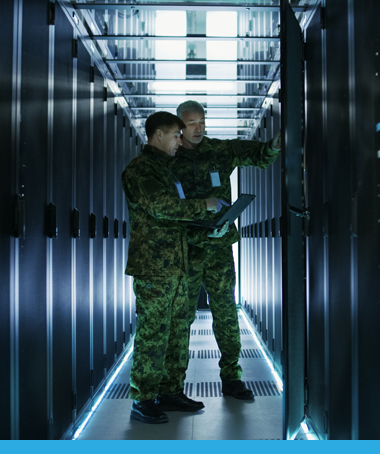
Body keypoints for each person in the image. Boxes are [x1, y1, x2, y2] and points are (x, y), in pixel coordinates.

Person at [169, 100, 282, 400]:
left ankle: (232, 377)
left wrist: (277, 144)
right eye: (192, 123)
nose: (198, 128)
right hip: (187, 248)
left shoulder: (220, 150)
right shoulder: (170, 156)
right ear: (179, 126)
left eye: (202, 121)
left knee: (226, 313)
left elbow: (259, 155)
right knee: (181, 316)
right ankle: (173, 385)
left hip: (218, 247)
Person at [121, 111, 229, 424]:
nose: (179, 142)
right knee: (153, 333)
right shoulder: (141, 170)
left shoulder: (168, 171)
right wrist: (204, 204)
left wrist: (212, 223)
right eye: (174, 136)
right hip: (154, 269)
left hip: (178, 265)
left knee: (179, 330)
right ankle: (142, 398)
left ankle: (169, 390)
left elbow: (177, 214)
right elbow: (162, 207)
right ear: (157, 135)